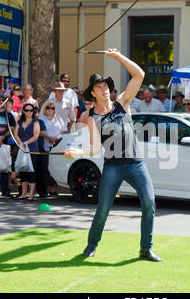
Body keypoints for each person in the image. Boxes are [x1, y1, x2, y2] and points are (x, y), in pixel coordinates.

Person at [63, 48, 161, 262]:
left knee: (149, 202)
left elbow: (139, 75)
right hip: (113, 167)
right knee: (103, 208)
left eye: (106, 86)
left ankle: (146, 248)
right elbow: (96, 148)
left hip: (136, 164)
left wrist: (118, 57)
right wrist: (78, 152)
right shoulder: (91, 116)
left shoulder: (123, 103)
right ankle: (91, 245)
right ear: (93, 93)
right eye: (100, 87)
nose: (104, 89)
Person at [13, 103, 40, 200]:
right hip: (22, 149)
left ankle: (31, 194)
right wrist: (21, 144)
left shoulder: (35, 122)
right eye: (27, 110)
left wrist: (25, 143)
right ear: (23, 111)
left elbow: (36, 136)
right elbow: (15, 134)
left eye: (31, 110)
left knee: (31, 172)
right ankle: (24, 193)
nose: (29, 112)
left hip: (32, 150)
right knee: (23, 171)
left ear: (33, 112)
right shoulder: (19, 122)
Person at [39, 101, 65, 195]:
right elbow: (39, 131)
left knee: (55, 168)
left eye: (52, 108)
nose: (50, 109)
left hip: (57, 146)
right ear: (45, 109)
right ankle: (46, 187)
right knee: (45, 168)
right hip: (45, 147)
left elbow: (64, 131)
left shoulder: (59, 119)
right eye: (48, 108)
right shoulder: (41, 119)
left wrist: (54, 137)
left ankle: (53, 188)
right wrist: (48, 137)